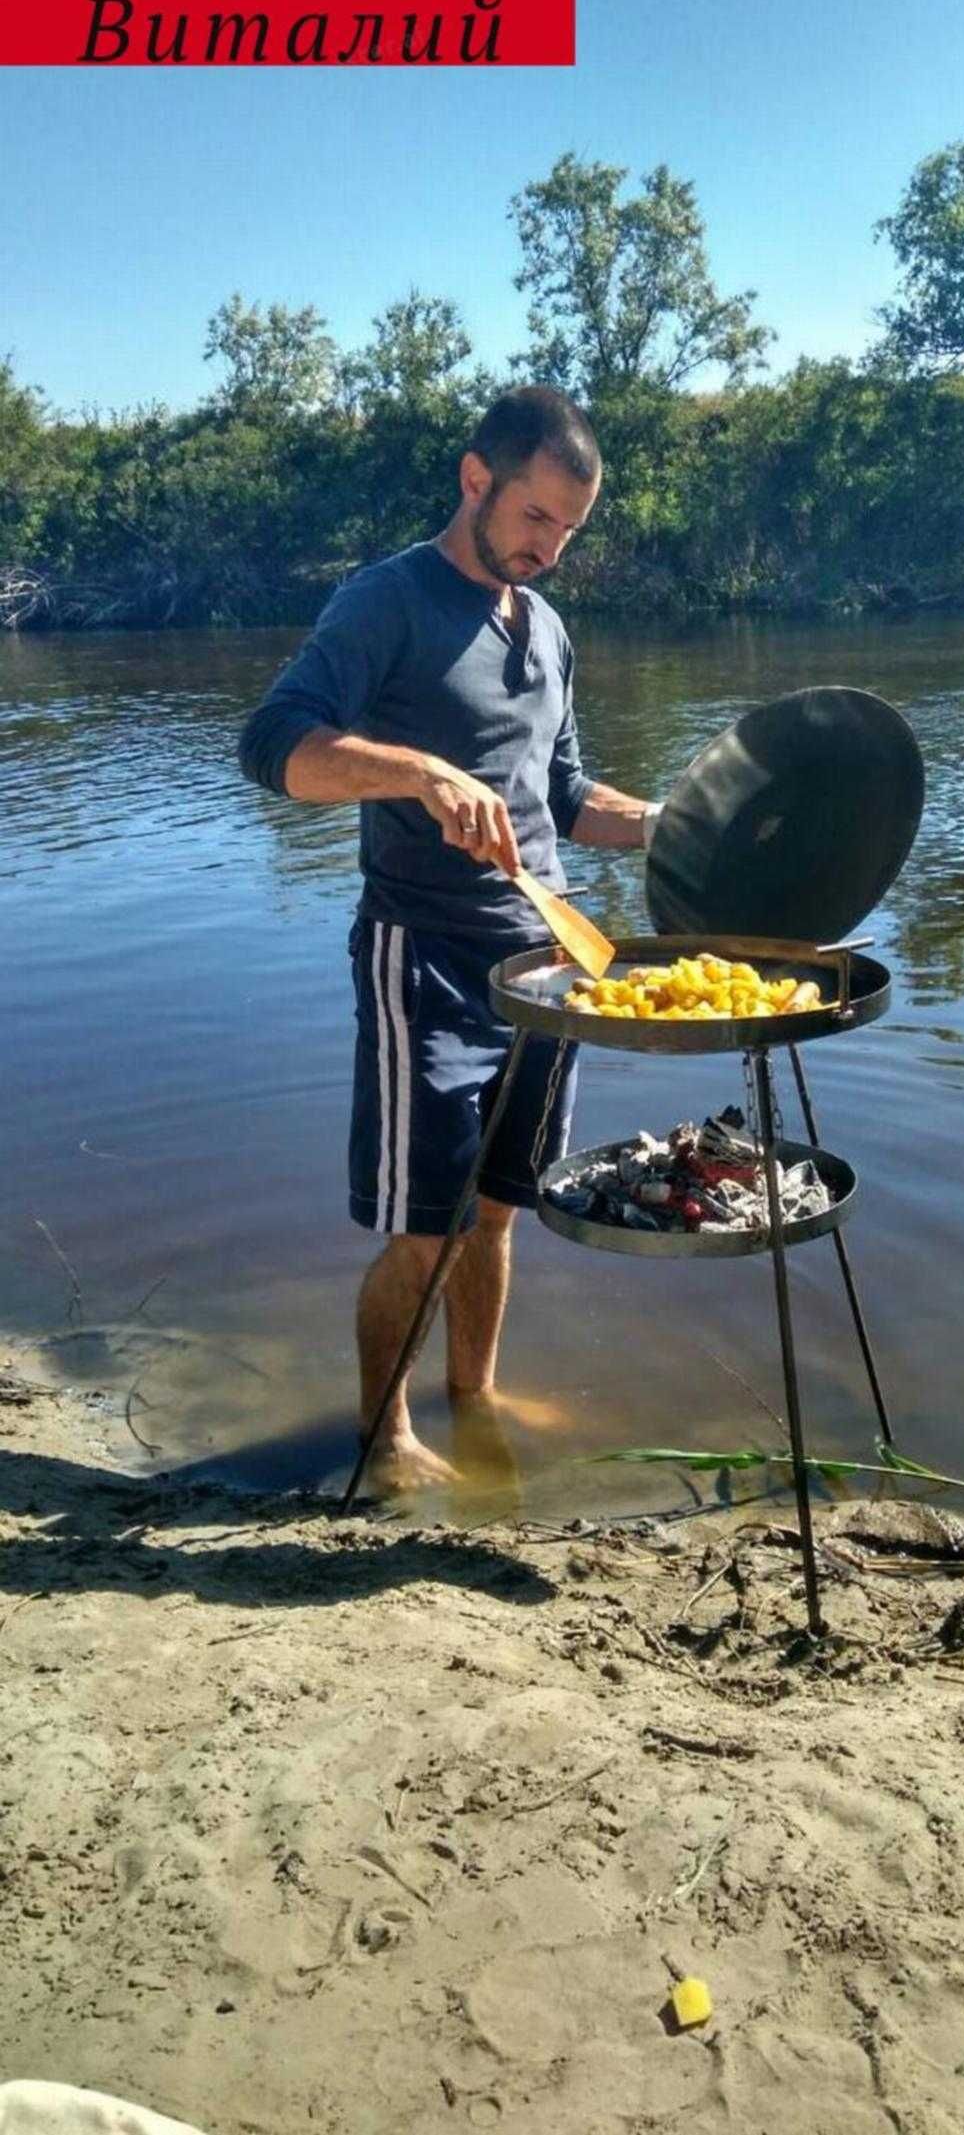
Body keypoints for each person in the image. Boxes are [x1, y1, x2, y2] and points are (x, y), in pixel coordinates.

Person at [238, 386, 655, 1494]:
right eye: (534, 519)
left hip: (550, 965)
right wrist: (415, 772)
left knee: (500, 1214)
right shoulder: (388, 602)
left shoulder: (548, 626)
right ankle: (383, 1442)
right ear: (477, 479)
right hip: (422, 953)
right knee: (425, 1225)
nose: (550, 548)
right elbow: (274, 746)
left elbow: (561, 796)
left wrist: (666, 822)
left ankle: (473, 1401)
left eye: (568, 529)